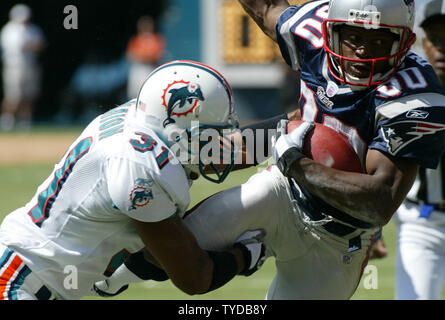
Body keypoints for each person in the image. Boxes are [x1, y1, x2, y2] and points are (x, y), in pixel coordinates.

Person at [93, 0, 445, 300]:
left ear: (405, 40)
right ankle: (101, 277)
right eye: (352, 37)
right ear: (331, 29)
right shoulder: (312, 29)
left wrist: (297, 164)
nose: (363, 50)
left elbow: (381, 200)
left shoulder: (416, 94)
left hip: (338, 240)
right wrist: (290, 165)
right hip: (281, 191)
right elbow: (265, 8)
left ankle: (248, 254)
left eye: (378, 40)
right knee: (171, 248)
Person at [0, 60, 266, 300]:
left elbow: (156, 254)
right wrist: (246, 256)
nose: (213, 147)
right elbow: (194, 276)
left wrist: (288, 131)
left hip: (35, 277)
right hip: (17, 282)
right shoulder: (139, 166)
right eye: (207, 136)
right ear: (177, 129)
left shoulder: (145, 121)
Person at [393, 0, 445, 300]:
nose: (443, 48)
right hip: (423, 223)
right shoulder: (406, 90)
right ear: (424, 42)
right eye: (437, 39)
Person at [0, 4, 45, 131]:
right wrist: (31, 46)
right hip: (14, 66)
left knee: (29, 94)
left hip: (31, 65)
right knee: (13, 95)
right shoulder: (9, 30)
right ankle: (7, 120)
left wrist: (31, 46)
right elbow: (19, 48)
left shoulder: (33, 29)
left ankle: (25, 121)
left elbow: (40, 46)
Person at [126, 15, 165, 100]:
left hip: (150, 68)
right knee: (135, 94)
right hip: (138, 68)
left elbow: (158, 54)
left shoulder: (156, 39)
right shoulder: (136, 39)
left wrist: (144, 56)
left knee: (149, 92)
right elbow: (130, 55)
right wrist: (142, 56)